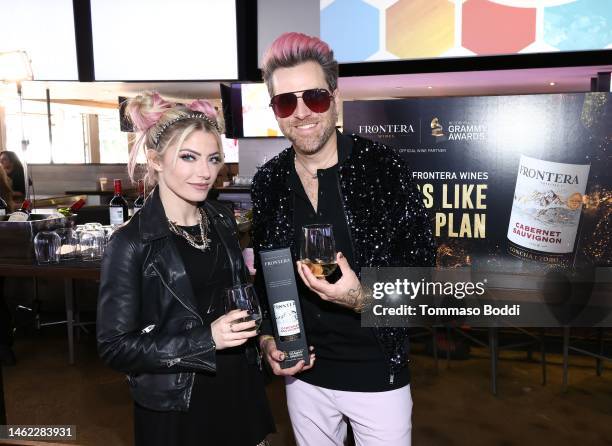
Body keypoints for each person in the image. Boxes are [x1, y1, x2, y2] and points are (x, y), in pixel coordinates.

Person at [251, 33, 436, 446]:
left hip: (377, 374)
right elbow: (264, 280)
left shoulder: (386, 170)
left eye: (314, 97)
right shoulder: (268, 182)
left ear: (335, 97)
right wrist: (266, 339)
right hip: (303, 375)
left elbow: (425, 282)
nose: (301, 113)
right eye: (285, 102)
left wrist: (360, 296)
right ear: (275, 110)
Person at [97, 92, 274, 446]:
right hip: (178, 404)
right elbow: (115, 347)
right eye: (189, 157)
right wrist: (205, 339)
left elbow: (242, 295)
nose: (205, 172)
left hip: (238, 387)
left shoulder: (221, 219)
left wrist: (266, 337)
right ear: (156, 160)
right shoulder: (131, 243)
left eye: (213, 159)